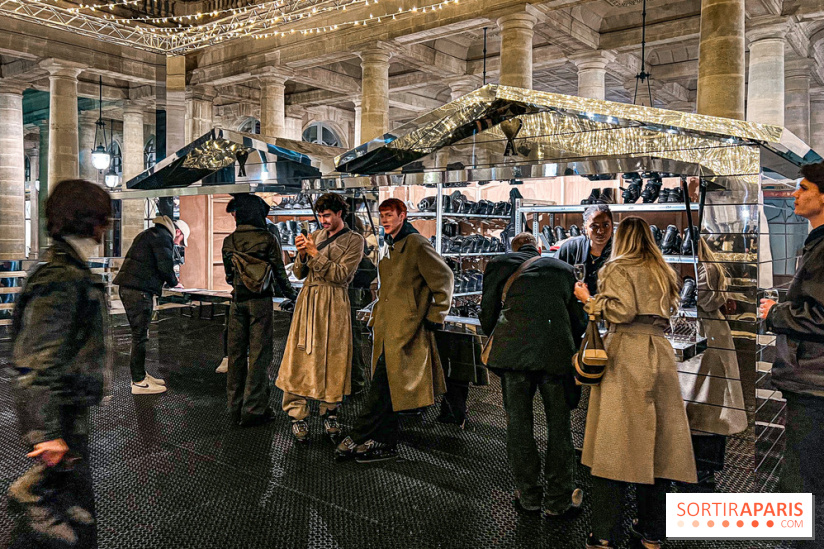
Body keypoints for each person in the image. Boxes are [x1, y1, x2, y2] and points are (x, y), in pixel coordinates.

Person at [573, 217, 696, 549]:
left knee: (613, 445)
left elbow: (622, 311)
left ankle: (604, 535)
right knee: (656, 448)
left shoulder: (618, 268)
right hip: (660, 351)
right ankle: (651, 533)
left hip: (627, 353)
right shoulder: (662, 269)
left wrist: (589, 299)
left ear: (622, 238)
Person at [9, 179, 111, 548]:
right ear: (92, 221)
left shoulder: (60, 269)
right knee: (65, 522)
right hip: (62, 416)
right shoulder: (62, 277)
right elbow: (36, 359)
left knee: (66, 512)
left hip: (68, 414)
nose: (107, 228)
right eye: (104, 219)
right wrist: (44, 432)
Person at [335, 198, 453, 463]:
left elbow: (444, 277)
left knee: (382, 387)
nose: (385, 219)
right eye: (383, 215)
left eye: (389, 215)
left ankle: (359, 433)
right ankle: (383, 441)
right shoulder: (392, 244)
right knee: (388, 388)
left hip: (406, 328)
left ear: (403, 215)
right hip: (390, 326)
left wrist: (437, 314)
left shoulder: (416, 244)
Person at [480, 232, 587, 517]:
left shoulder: (498, 263)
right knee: (559, 426)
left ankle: (528, 496)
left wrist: (500, 336)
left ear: (514, 248)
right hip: (555, 355)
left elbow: (487, 313)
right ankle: (558, 499)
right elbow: (579, 320)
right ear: (539, 249)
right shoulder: (563, 269)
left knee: (519, 426)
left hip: (513, 355)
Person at [276, 193, 364, 442]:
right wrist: (301, 254)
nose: (323, 220)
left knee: (333, 357)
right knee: (299, 356)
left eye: (327, 215)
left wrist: (314, 253)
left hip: (334, 303)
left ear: (339, 213)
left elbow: (342, 275)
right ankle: (297, 414)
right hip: (309, 301)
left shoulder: (354, 241)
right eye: (320, 216)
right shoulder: (315, 236)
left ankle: (330, 411)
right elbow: (299, 273)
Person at [760, 163, 824, 502]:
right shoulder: (817, 243)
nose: (795, 194)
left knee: (804, 484)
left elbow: (820, 317)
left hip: (815, 383)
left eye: (804, 188)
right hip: (813, 380)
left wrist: (775, 314)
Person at [222, 193, 296, 427]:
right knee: (259, 356)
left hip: (237, 302)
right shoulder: (267, 238)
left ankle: (234, 409)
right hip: (260, 303)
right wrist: (292, 295)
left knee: (235, 356)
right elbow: (280, 273)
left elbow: (228, 276)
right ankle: (254, 409)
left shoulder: (229, 241)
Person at [680, 238, 747, 488]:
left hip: (705, 338)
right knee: (704, 410)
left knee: (703, 409)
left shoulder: (704, 268)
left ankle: (700, 479)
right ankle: (698, 475)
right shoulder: (706, 265)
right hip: (706, 336)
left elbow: (704, 300)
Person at [113, 215, 178, 395]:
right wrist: (174, 283)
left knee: (140, 335)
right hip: (138, 291)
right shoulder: (163, 237)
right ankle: (139, 382)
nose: (178, 242)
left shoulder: (148, 234)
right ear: (176, 231)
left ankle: (141, 374)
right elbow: (165, 265)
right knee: (140, 336)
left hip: (131, 288)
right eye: (179, 239)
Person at [557, 204, 613, 295]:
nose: (601, 231)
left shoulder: (620, 250)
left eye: (605, 225)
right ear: (585, 228)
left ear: (612, 226)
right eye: (594, 226)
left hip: (608, 306)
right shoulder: (571, 248)